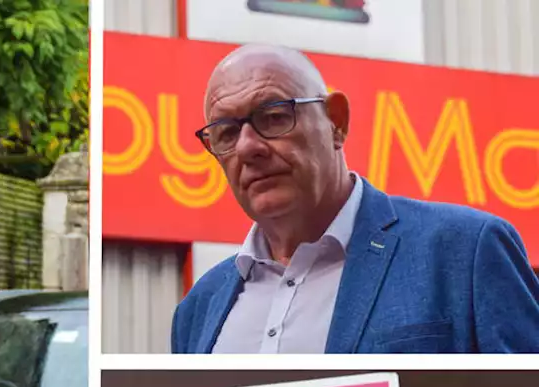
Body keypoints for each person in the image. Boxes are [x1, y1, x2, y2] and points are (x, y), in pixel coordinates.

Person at [171, 44, 539, 353]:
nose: (248, 147)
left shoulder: (465, 251)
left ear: (336, 121)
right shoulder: (198, 309)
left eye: (273, 116)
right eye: (226, 133)